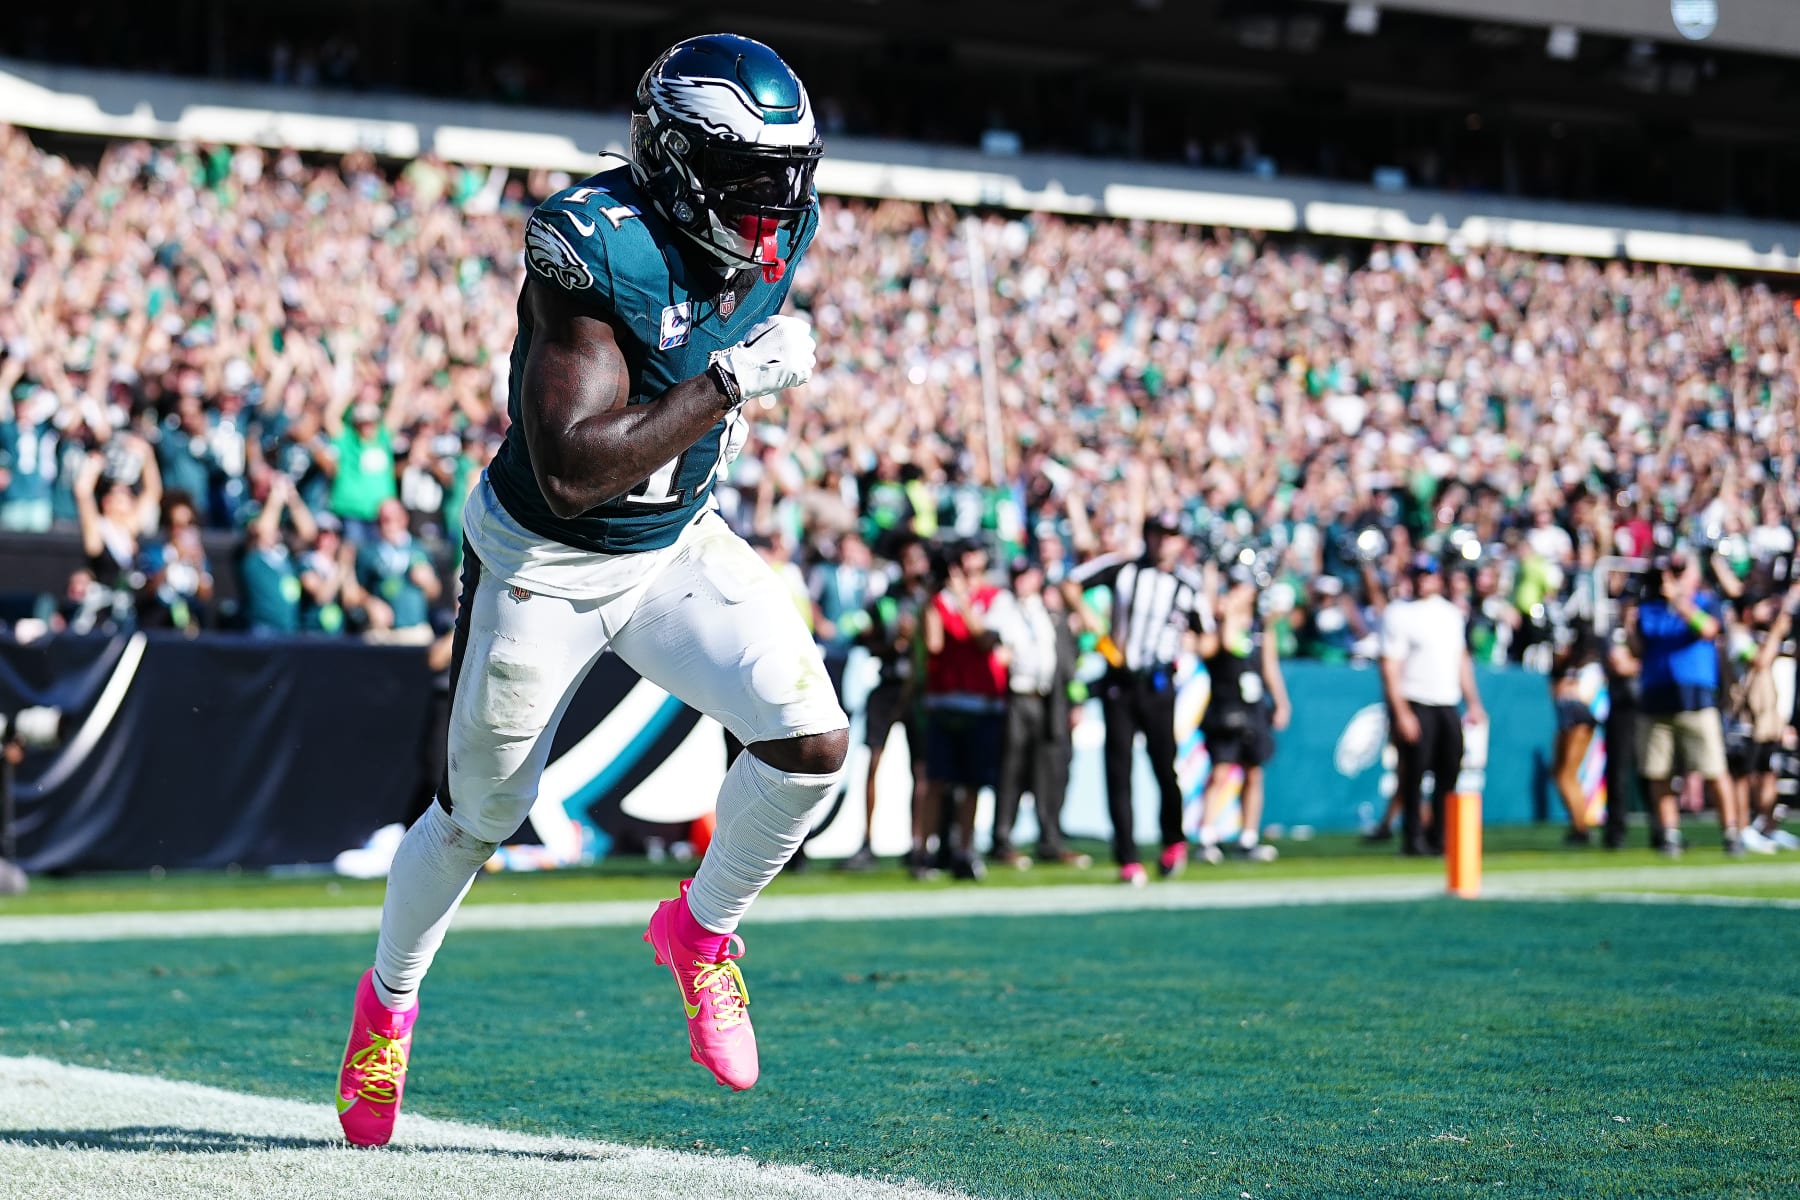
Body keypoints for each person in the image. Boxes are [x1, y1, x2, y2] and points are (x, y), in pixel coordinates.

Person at [335, 33, 840, 1147]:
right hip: (547, 567)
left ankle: (701, 935)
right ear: (679, 162)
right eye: (752, 178)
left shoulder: (776, 228)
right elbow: (568, 469)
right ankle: (389, 1005)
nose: (777, 206)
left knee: (811, 743)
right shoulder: (593, 247)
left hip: (672, 547)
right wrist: (725, 382)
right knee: (478, 820)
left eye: (787, 177)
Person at [1063, 511, 1209, 885]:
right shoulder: (1124, 570)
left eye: (1171, 535)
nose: (1164, 542)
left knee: (1165, 767)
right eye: (1158, 534)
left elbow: (1206, 637)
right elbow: (1071, 584)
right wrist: (1094, 624)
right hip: (1121, 680)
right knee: (1118, 771)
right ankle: (1127, 857)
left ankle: (1173, 840)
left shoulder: (1187, 586)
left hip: (1159, 683)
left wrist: (1186, 641)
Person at [1628, 552, 1744, 857]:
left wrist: (1679, 600)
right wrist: (1628, 621)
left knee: (1713, 768)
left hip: (1695, 698)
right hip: (1656, 697)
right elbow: (1638, 649)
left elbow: (1708, 629)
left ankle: (1732, 831)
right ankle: (1669, 833)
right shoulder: (1650, 608)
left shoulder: (1704, 601)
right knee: (1658, 770)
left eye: (1681, 570)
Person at [1379, 554, 1487, 857]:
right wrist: (1401, 712)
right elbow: (1390, 666)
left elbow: (1461, 660)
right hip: (1417, 700)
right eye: (1417, 574)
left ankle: (1440, 834)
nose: (1423, 580)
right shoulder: (1399, 613)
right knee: (1413, 775)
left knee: (1449, 771)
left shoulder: (1450, 614)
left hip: (1447, 701)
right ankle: (1413, 837)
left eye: (1428, 574)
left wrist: (1474, 702)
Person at [920, 538, 1009, 881]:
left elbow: (985, 639)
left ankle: (964, 850)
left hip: (981, 703)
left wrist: (961, 601)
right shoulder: (938, 601)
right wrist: (933, 603)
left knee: (972, 783)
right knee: (937, 780)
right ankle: (925, 852)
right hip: (945, 699)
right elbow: (934, 644)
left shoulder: (994, 600)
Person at [842, 534, 931, 872]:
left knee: (922, 769)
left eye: (918, 560)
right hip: (890, 685)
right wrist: (892, 642)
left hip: (920, 690)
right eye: (909, 561)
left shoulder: (930, 601)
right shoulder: (885, 601)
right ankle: (867, 841)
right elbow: (865, 640)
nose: (915, 568)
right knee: (874, 762)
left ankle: (918, 844)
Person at [988, 558, 1085, 868]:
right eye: (1015, 575)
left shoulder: (1049, 611)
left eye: (1025, 574)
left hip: (1048, 699)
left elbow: (1068, 660)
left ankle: (1050, 839)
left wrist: (1074, 702)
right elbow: (990, 639)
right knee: (1012, 770)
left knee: (1050, 771)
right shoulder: (1004, 606)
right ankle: (1003, 840)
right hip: (1017, 697)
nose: (1020, 581)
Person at [1193, 566, 1290, 863]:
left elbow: (1269, 665)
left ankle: (1248, 837)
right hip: (1227, 705)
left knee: (1254, 771)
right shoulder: (1222, 623)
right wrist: (1229, 612)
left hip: (1254, 706)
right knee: (1221, 770)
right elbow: (1225, 644)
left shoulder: (1262, 626)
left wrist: (1282, 701)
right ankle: (1207, 836)